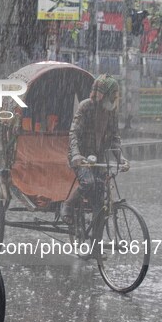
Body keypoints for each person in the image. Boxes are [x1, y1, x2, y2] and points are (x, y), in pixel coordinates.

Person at [60, 74, 130, 223]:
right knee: (89, 183)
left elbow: (115, 138)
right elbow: (74, 133)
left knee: (100, 200)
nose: (113, 100)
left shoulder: (112, 112)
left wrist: (121, 158)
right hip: (81, 157)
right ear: (102, 95)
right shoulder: (86, 106)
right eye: (111, 96)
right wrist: (76, 155)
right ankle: (68, 204)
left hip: (99, 158)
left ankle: (96, 244)